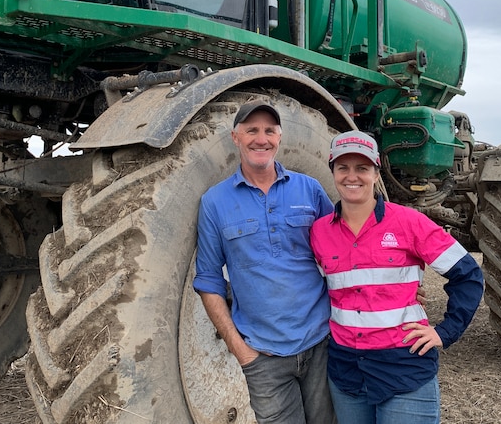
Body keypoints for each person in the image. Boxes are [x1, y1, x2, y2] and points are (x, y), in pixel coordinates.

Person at [310, 130, 484, 424]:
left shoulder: (409, 222)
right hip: (347, 374)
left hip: (403, 369)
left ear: (376, 172)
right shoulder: (319, 232)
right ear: (333, 171)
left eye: (362, 168)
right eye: (344, 167)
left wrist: (444, 332)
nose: (352, 176)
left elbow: (467, 274)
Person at [193, 99, 337, 424]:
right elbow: (209, 281)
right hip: (264, 358)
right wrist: (241, 351)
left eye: (269, 130)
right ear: (236, 137)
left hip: (320, 347)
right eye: (252, 130)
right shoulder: (214, 203)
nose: (262, 139)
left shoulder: (310, 190)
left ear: (280, 137)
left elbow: (345, 251)